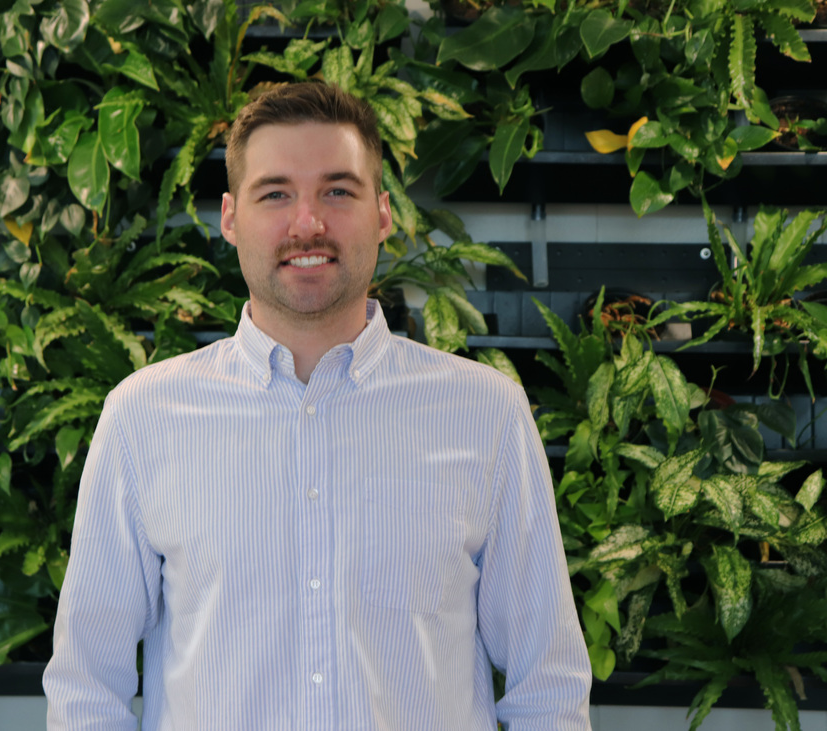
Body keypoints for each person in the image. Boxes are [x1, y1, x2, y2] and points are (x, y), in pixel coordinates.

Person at [43, 81, 592, 730]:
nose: (308, 222)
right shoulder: (143, 418)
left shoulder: (486, 414)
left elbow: (547, 688)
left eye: (338, 190)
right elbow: (88, 689)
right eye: (275, 193)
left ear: (383, 212)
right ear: (229, 217)